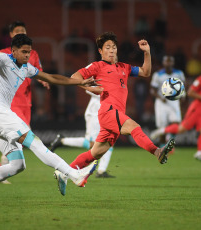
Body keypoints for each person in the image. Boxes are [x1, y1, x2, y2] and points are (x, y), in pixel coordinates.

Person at [0, 27, 99, 203]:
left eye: (29, 52)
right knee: (34, 141)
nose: (27, 55)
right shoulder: (3, 59)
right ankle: (74, 174)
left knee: (17, 165)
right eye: (23, 52)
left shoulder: (26, 68)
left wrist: (79, 81)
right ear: (13, 50)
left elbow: (52, 78)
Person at [53, 32, 175, 196]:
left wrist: (147, 52)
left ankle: (64, 172)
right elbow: (75, 76)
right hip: (108, 111)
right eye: (108, 47)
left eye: (114, 47)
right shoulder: (97, 66)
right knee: (134, 127)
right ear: (100, 51)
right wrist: (89, 88)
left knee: (94, 153)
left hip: (116, 114)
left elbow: (146, 72)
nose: (111, 50)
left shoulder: (124, 67)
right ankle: (157, 152)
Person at [0, 21, 48, 184]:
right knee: (22, 134)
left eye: (23, 31)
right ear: (11, 35)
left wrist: (43, 81)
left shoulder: (32, 54)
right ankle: (5, 166)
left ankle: (5, 167)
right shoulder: (4, 54)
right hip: (10, 101)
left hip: (26, 101)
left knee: (20, 135)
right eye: (17, 31)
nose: (20, 33)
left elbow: (39, 72)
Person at [151, 58, 201, 162]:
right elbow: (191, 92)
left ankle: (200, 153)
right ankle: (162, 130)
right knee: (181, 129)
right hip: (196, 110)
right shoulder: (200, 79)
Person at [50, 90, 115, 178]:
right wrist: (104, 91)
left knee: (108, 141)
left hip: (105, 114)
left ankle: (101, 171)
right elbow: (88, 89)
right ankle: (62, 142)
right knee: (92, 144)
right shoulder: (100, 78)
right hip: (94, 115)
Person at [150, 56, 186, 148]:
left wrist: (183, 95)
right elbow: (152, 90)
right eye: (167, 62)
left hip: (174, 101)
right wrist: (160, 97)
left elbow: (184, 86)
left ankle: (169, 144)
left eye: (170, 62)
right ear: (163, 63)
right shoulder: (158, 74)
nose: (168, 64)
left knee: (176, 123)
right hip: (161, 102)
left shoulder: (179, 73)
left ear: (173, 63)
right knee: (162, 125)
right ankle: (163, 146)